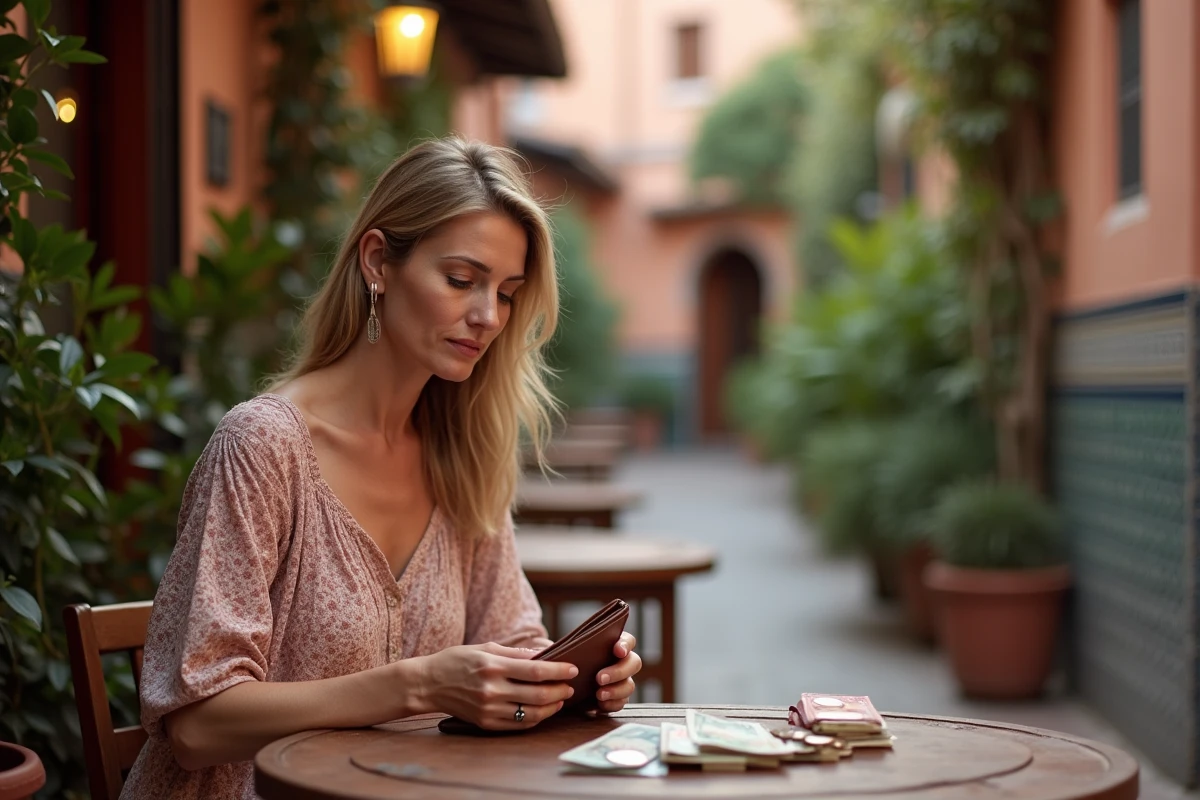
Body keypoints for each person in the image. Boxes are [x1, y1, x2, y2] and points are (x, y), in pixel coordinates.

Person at [119, 137, 643, 799]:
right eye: (461, 280)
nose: (487, 316)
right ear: (378, 263)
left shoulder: (463, 454)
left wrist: (568, 682)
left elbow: (512, 646)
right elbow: (197, 726)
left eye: (506, 293)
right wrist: (418, 685)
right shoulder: (263, 447)